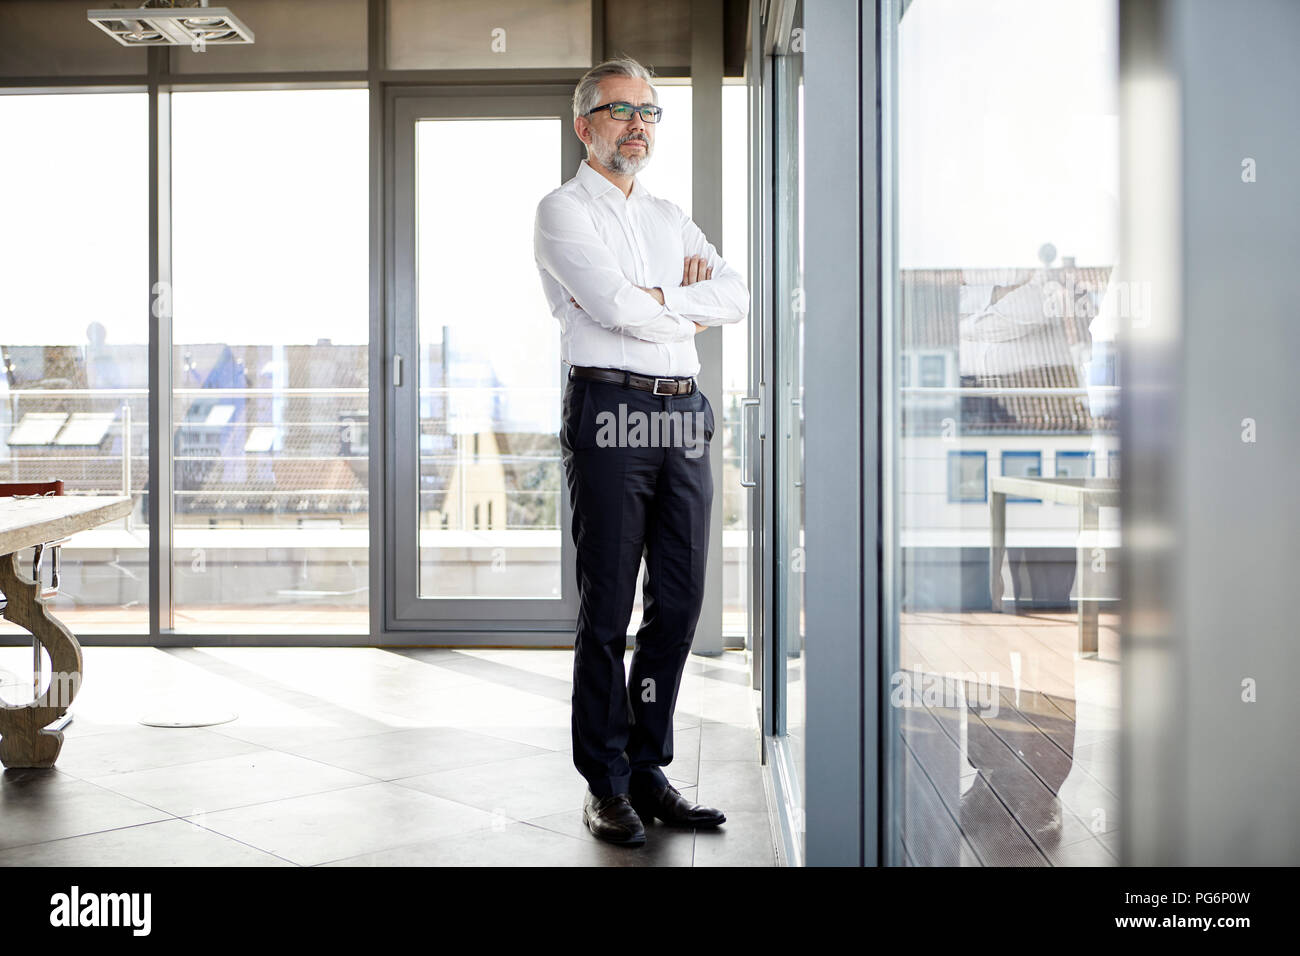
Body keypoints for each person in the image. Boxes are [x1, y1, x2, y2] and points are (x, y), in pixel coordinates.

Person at [534, 57, 749, 847]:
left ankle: (649, 766)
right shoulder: (563, 212)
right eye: (623, 110)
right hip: (609, 409)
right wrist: (675, 306)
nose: (639, 125)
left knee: (681, 600)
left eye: (650, 113)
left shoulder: (668, 216)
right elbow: (616, 308)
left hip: (682, 414)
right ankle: (604, 781)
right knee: (609, 604)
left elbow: (736, 293)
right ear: (586, 124)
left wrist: (662, 302)